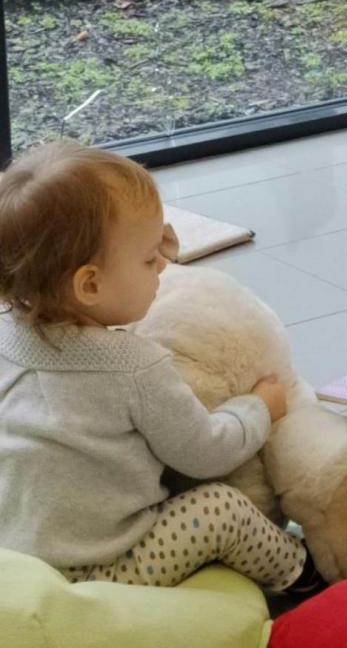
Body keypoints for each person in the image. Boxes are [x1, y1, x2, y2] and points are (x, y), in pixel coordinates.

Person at [0, 141, 324, 593]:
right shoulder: (134, 366)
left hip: (16, 565)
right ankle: (303, 575)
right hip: (101, 571)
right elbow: (206, 453)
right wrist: (257, 408)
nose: (165, 264)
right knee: (221, 507)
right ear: (90, 285)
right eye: (149, 259)